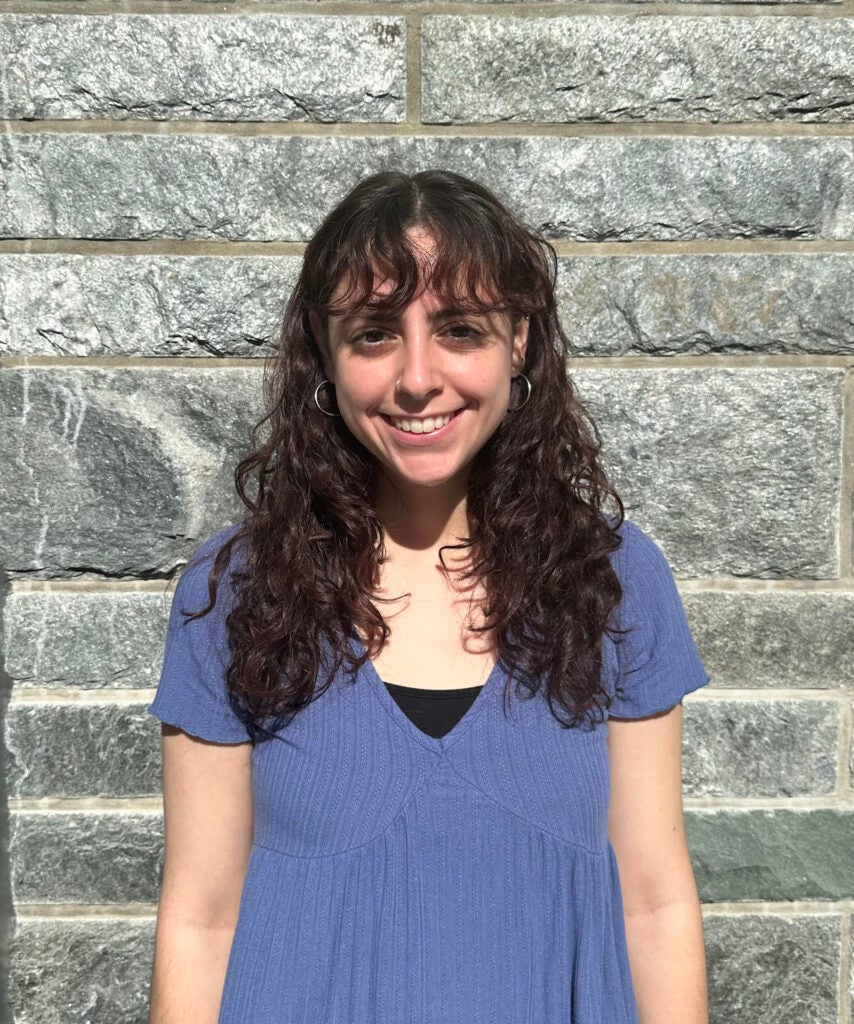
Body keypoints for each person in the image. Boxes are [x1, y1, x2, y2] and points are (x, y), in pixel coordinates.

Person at [146, 169, 711, 1023]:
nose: (418, 378)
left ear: (518, 340)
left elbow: (654, 904)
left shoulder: (613, 582)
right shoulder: (236, 597)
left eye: (459, 330)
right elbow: (200, 919)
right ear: (324, 354)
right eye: (374, 334)